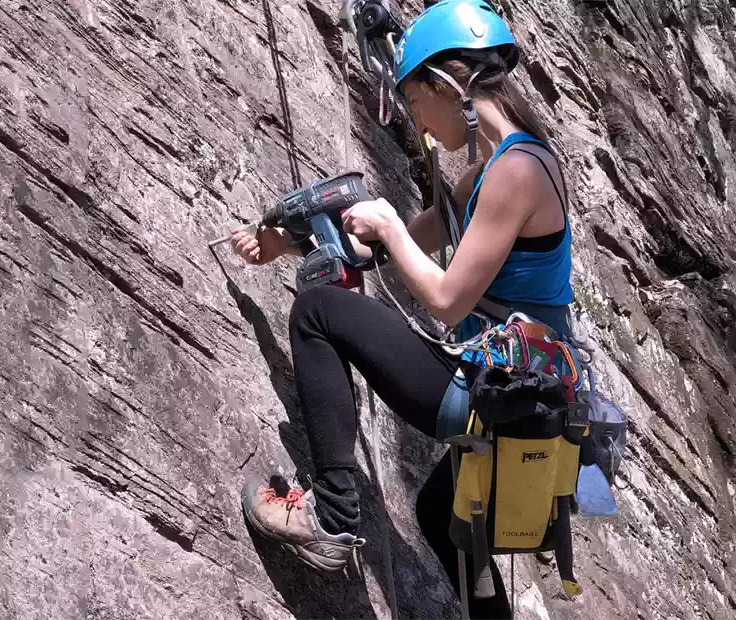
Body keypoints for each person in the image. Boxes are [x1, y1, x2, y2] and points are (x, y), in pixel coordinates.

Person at [233, 0, 574, 616]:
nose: (416, 120)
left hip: (500, 396)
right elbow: (387, 249)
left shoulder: (518, 171)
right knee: (442, 516)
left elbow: (447, 299)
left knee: (317, 313)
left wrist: (388, 222)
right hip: (527, 407)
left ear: (446, 85)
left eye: (414, 101)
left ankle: (331, 516)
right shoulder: (492, 172)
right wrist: (291, 239)